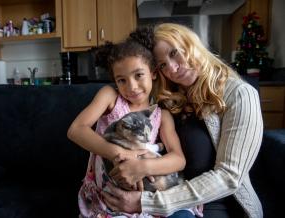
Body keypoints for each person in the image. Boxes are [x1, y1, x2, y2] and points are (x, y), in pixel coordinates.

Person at [101, 23, 263, 218]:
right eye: (162, 65)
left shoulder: (240, 95)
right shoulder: (166, 98)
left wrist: (147, 203)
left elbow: (229, 177)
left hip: (216, 204)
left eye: (174, 53)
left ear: (191, 43)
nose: (173, 68)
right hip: (163, 193)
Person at [67, 37, 202, 217]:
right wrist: (119, 154)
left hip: (148, 194)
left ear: (153, 73)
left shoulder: (162, 115)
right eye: (121, 80)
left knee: (184, 215)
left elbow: (178, 159)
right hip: (112, 195)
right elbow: (76, 129)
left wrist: (143, 167)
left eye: (139, 75)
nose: (131, 87)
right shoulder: (110, 97)